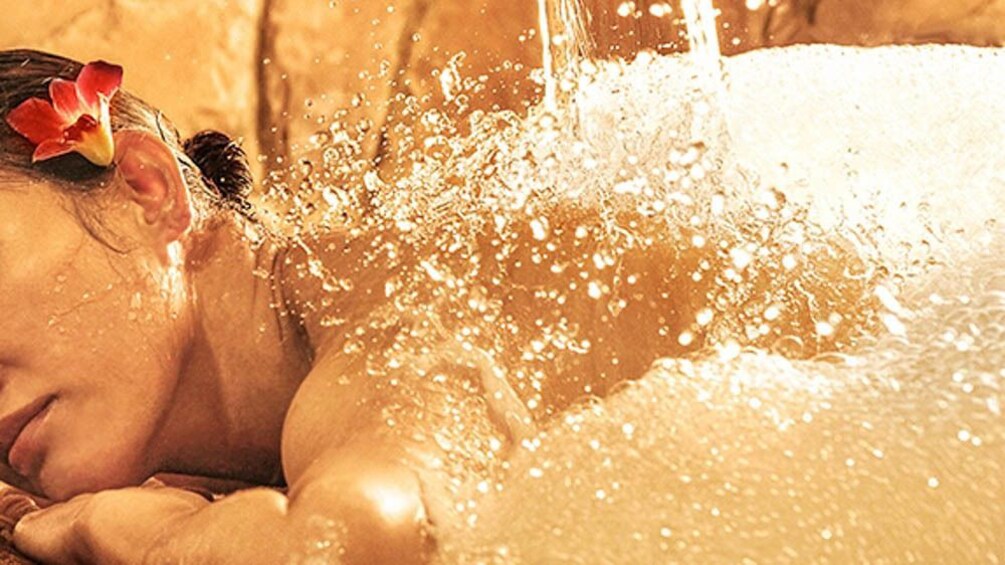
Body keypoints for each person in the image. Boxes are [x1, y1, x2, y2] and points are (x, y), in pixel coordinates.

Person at [0, 49, 869, 563]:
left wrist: (133, 535)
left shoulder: (390, 315)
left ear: (147, 188)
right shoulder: (285, 370)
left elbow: (349, 547)